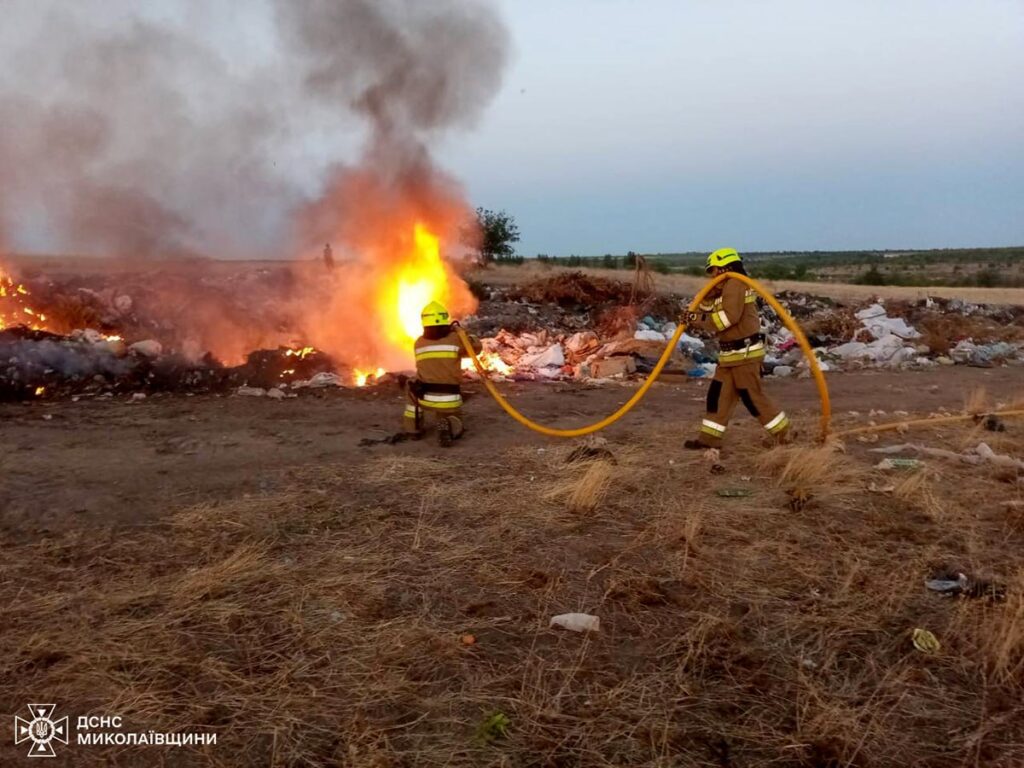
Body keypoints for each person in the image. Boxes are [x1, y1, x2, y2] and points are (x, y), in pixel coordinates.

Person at [683, 247, 790, 450]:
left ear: (725, 267)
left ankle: (784, 434)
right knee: (718, 396)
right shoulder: (725, 288)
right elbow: (708, 307)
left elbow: (727, 319)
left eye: (714, 269)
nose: (712, 275)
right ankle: (709, 439)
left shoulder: (735, 283)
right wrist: (704, 300)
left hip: (744, 354)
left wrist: (696, 319)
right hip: (730, 356)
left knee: (752, 397)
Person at [403, 301, 483, 447]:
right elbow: (477, 348)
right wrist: (462, 333)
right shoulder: (455, 339)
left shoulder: (418, 343)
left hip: (425, 398)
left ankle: (413, 430)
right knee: (452, 417)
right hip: (451, 399)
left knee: (410, 385)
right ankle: (449, 423)